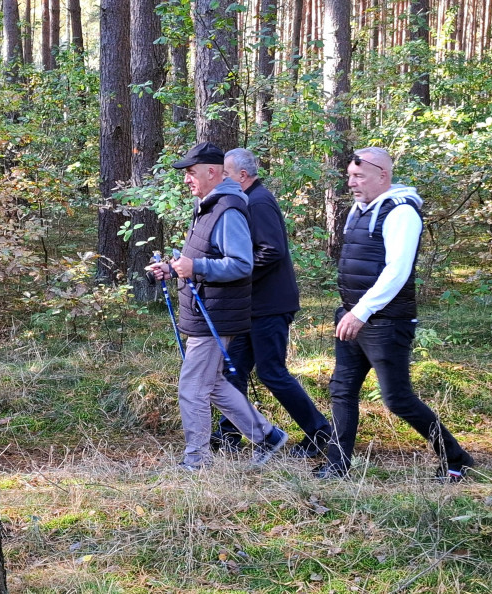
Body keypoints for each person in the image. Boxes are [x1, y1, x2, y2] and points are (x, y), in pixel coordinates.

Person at [318, 148, 475, 482]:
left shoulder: (402, 213)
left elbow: (397, 271)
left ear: (382, 176)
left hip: (386, 322)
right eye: (349, 176)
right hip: (352, 316)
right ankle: (337, 465)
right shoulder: (358, 211)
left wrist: (361, 312)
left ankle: (456, 457)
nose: (351, 183)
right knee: (342, 390)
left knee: (397, 399)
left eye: (358, 176)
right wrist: (351, 312)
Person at [146, 142, 288, 470]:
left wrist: (194, 268)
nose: (186, 180)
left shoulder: (228, 209)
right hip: (206, 309)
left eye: (191, 173)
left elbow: (241, 263)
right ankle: (267, 436)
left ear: (212, 172)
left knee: (193, 387)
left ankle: (196, 463)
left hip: (216, 313)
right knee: (213, 383)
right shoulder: (208, 206)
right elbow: (201, 256)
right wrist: (172, 268)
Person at [210, 148, 331, 458]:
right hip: (253, 305)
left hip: (270, 305)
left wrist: (238, 274)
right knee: (232, 370)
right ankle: (228, 434)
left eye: (226, 172)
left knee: (271, 372)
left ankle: (320, 434)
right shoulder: (245, 200)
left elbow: (272, 250)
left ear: (242, 176)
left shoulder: (258, 201)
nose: (222, 177)